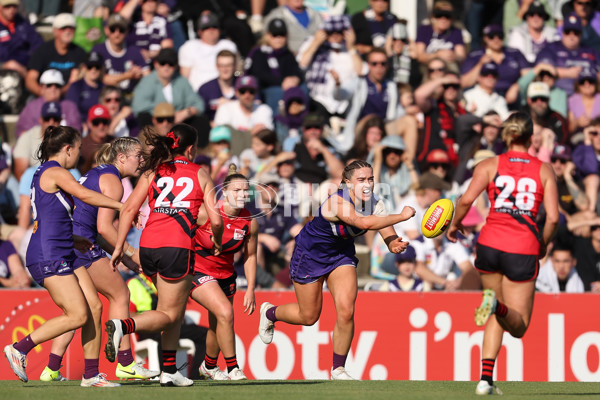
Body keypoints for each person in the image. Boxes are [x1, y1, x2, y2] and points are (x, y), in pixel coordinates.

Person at [258, 160, 416, 380]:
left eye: (370, 179)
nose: (367, 184)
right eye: (361, 180)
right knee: (309, 316)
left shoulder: (374, 203)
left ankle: (338, 369)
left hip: (341, 255)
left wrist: (392, 243)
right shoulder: (337, 202)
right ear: (347, 183)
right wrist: (402, 215)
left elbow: (382, 225)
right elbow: (364, 223)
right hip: (310, 255)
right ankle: (269, 312)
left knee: (346, 310)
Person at [446, 112, 559, 395]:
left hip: (489, 244)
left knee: (497, 307)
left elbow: (466, 199)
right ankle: (496, 306)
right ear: (531, 137)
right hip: (521, 247)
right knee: (518, 326)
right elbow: (554, 218)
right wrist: (543, 244)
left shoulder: (489, 164)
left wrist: (455, 224)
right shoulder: (543, 169)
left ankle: (485, 380)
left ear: (507, 135)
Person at [3, 125, 124, 386]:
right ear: (67, 148)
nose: (79, 155)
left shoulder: (46, 172)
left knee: (94, 306)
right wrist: (121, 206)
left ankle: (91, 375)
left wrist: (77, 239)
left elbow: (52, 215)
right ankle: (19, 348)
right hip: (48, 253)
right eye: (78, 149)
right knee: (78, 314)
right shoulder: (55, 171)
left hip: (63, 248)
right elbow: (83, 194)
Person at [107, 124, 223, 387]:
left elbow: (127, 211)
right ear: (191, 148)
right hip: (177, 247)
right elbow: (216, 220)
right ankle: (123, 326)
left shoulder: (152, 171)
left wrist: (118, 248)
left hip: (148, 246)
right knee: (170, 315)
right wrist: (216, 240)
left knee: (173, 310)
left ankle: (169, 370)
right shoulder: (199, 173)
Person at [39, 137, 160, 381]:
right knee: (121, 295)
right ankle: (125, 363)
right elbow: (104, 228)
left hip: (72, 243)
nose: (142, 161)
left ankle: (51, 369)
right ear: (122, 157)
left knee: (79, 310)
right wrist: (128, 251)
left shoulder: (99, 173)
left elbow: (97, 228)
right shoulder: (113, 180)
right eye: (139, 156)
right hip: (82, 246)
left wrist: (123, 258)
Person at [193, 165, 257, 381]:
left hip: (226, 275)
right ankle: (233, 368)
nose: (242, 195)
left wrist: (250, 288)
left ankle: (209, 366)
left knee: (218, 322)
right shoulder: (205, 213)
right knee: (226, 314)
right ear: (225, 193)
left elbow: (250, 256)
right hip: (198, 271)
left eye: (245, 191)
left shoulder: (249, 220)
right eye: (237, 191)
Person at [25, 13, 87, 96]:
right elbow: (30, 79)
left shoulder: (80, 53)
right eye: (63, 28)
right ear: (55, 31)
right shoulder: (42, 50)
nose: (68, 31)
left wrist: (58, 94)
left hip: (68, 96)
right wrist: (44, 95)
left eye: (71, 28)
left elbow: (74, 82)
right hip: (42, 95)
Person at [178, 12, 238, 92]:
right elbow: (184, 77)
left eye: (214, 27)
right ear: (199, 32)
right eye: (206, 28)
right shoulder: (189, 47)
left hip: (226, 92)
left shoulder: (229, 45)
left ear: (220, 29)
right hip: (198, 93)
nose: (211, 30)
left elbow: (236, 71)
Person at [92, 13, 149, 96]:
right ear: (106, 30)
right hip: (105, 97)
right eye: (113, 29)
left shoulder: (134, 50)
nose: (117, 33)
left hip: (129, 96)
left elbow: (147, 75)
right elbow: (101, 78)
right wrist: (128, 75)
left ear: (127, 31)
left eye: (121, 30)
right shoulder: (98, 50)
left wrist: (139, 73)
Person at [415, 1, 466, 68]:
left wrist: (454, 56)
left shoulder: (456, 32)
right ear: (433, 17)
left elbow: (462, 57)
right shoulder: (424, 30)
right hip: (429, 69)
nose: (443, 19)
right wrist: (436, 55)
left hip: (449, 69)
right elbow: (420, 57)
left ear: (452, 18)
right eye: (439, 15)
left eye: (447, 16)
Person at [0, 0, 43, 78]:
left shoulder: (23, 23)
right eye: (7, 7)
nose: (11, 10)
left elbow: (37, 43)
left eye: (14, 7)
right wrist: (4, 65)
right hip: (4, 69)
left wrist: (32, 63)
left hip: (26, 66)